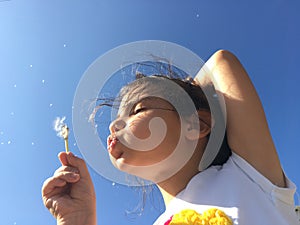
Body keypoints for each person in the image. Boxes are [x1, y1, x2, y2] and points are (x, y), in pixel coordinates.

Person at [42, 50, 298, 225]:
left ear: (197, 125)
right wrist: (81, 219)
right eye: (116, 120)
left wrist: (186, 97)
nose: (114, 125)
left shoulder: (248, 176)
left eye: (138, 109)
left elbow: (221, 62)